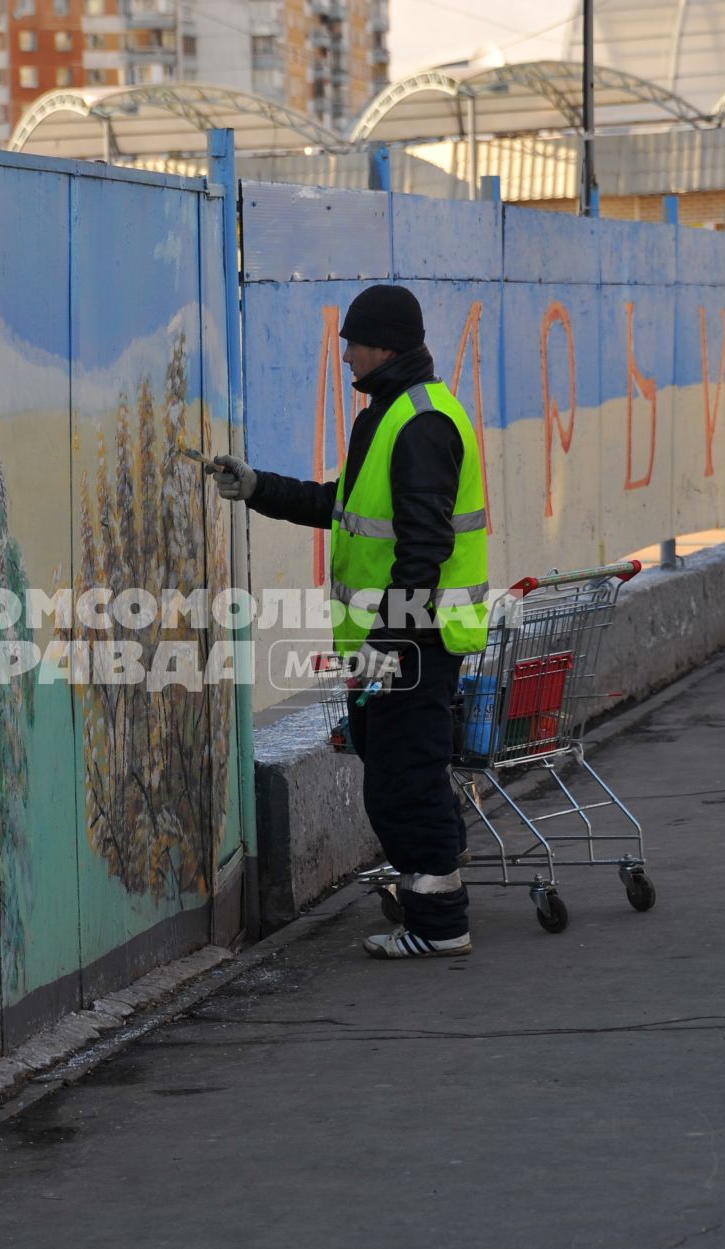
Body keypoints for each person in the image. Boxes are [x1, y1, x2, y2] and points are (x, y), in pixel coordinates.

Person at [204, 284, 490, 959]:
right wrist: (258, 487)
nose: (346, 357)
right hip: (398, 638)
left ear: (384, 345)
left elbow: (424, 547)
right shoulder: (386, 416)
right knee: (396, 765)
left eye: (353, 345)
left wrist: (387, 643)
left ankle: (440, 923)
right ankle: (433, 887)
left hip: (415, 640)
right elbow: (344, 507)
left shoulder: (422, 423)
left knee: (403, 779)